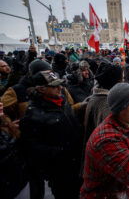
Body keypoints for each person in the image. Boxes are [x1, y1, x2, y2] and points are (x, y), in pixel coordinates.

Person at [20, 70, 83, 199]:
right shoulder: (33, 114)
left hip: (77, 165)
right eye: (54, 86)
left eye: (59, 84)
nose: (60, 88)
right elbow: (31, 148)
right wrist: (60, 153)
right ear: (41, 89)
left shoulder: (62, 101)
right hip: (60, 172)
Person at [83, 62, 123, 145]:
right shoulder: (107, 105)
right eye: (121, 79)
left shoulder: (95, 97)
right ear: (115, 82)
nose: (123, 82)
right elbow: (110, 142)